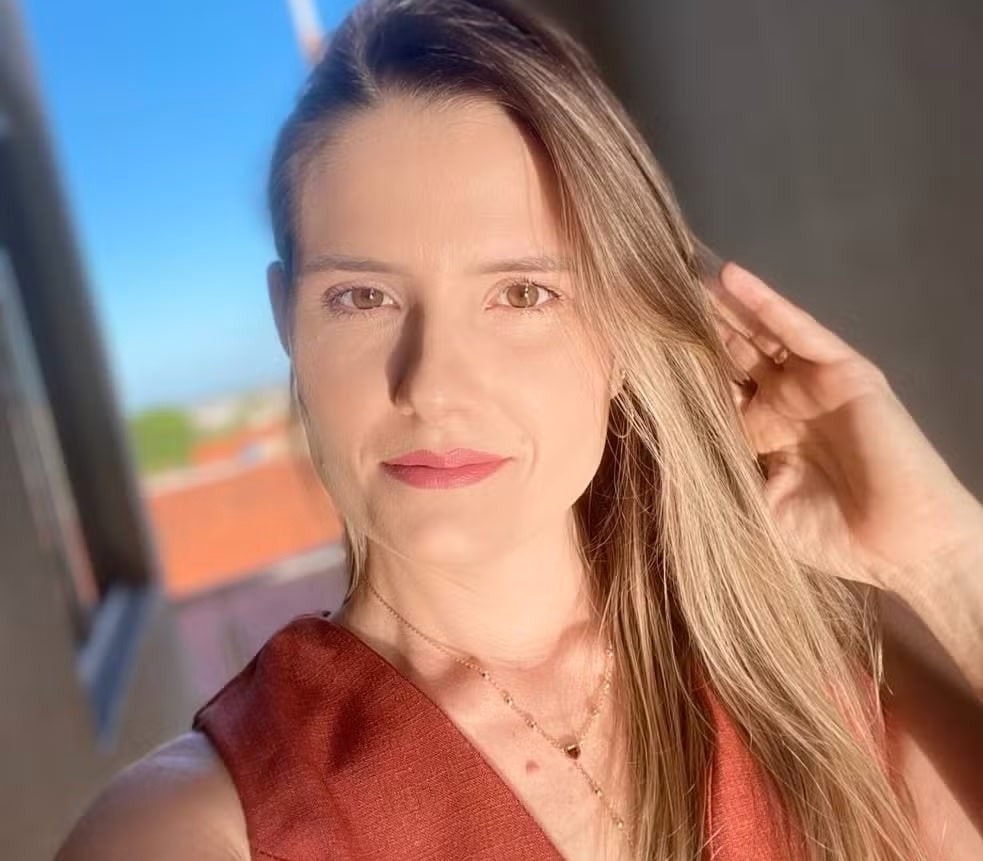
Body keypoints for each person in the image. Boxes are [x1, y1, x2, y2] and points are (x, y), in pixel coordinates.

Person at [57, 0, 983, 858]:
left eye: (522, 293)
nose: (432, 384)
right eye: (362, 297)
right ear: (287, 321)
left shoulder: (824, 693)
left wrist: (943, 560)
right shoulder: (198, 825)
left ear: (622, 326)